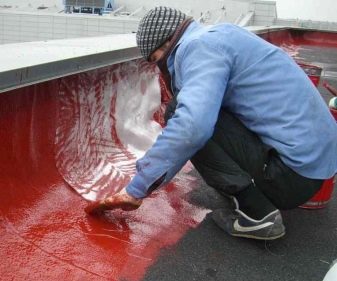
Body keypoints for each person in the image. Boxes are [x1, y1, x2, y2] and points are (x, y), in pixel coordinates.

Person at [85, 6, 337, 240]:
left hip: (293, 176)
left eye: (155, 60)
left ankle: (257, 215)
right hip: (315, 167)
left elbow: (192, 127)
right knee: (205, 109)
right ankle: (257, 190)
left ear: (161, 50)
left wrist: (137, 188)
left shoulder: (198, 48)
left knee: (180, 112)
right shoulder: (221, 34)